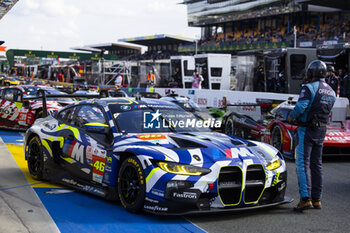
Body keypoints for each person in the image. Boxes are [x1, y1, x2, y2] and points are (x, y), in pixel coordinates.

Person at [288, 60, 336, 212]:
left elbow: (301, 107)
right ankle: (317, 199)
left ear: (311, 73)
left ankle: (305, 199)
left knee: (302, 164)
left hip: (306, 130)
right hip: (321, 130)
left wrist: (291, 116)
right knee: (317, 165)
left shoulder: (308, 88)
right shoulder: (331, 91)